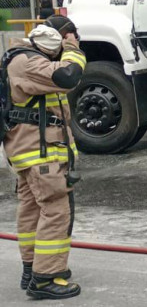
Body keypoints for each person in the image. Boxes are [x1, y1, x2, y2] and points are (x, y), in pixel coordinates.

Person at [3, 16, 85, 299]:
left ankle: (32, 267)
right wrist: (73, 50)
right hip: (40, 153)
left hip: (29, 151)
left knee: (32, 210)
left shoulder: (23, 60)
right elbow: (68, 76)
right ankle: (45, 277)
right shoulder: (29, 62)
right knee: (55, 209)